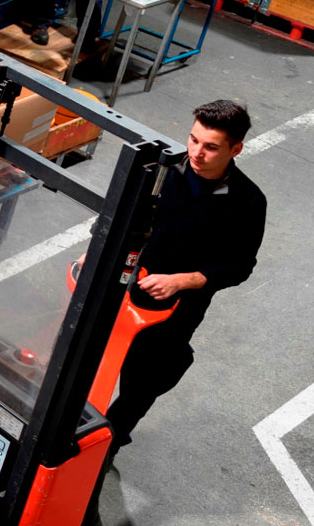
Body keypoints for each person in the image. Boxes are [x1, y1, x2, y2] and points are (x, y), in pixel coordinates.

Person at [106, 99, 267, 452]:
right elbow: (118, 217)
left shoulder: (248, 202)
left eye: (211, 147)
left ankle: (108, 445)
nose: (196, 153)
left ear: (235, 149)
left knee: (143, 382)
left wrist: (183, 280)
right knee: (90, 368)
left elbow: (239, 266)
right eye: (194, 140)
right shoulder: (161, 173)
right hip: (121, 287)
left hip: (176, 309)